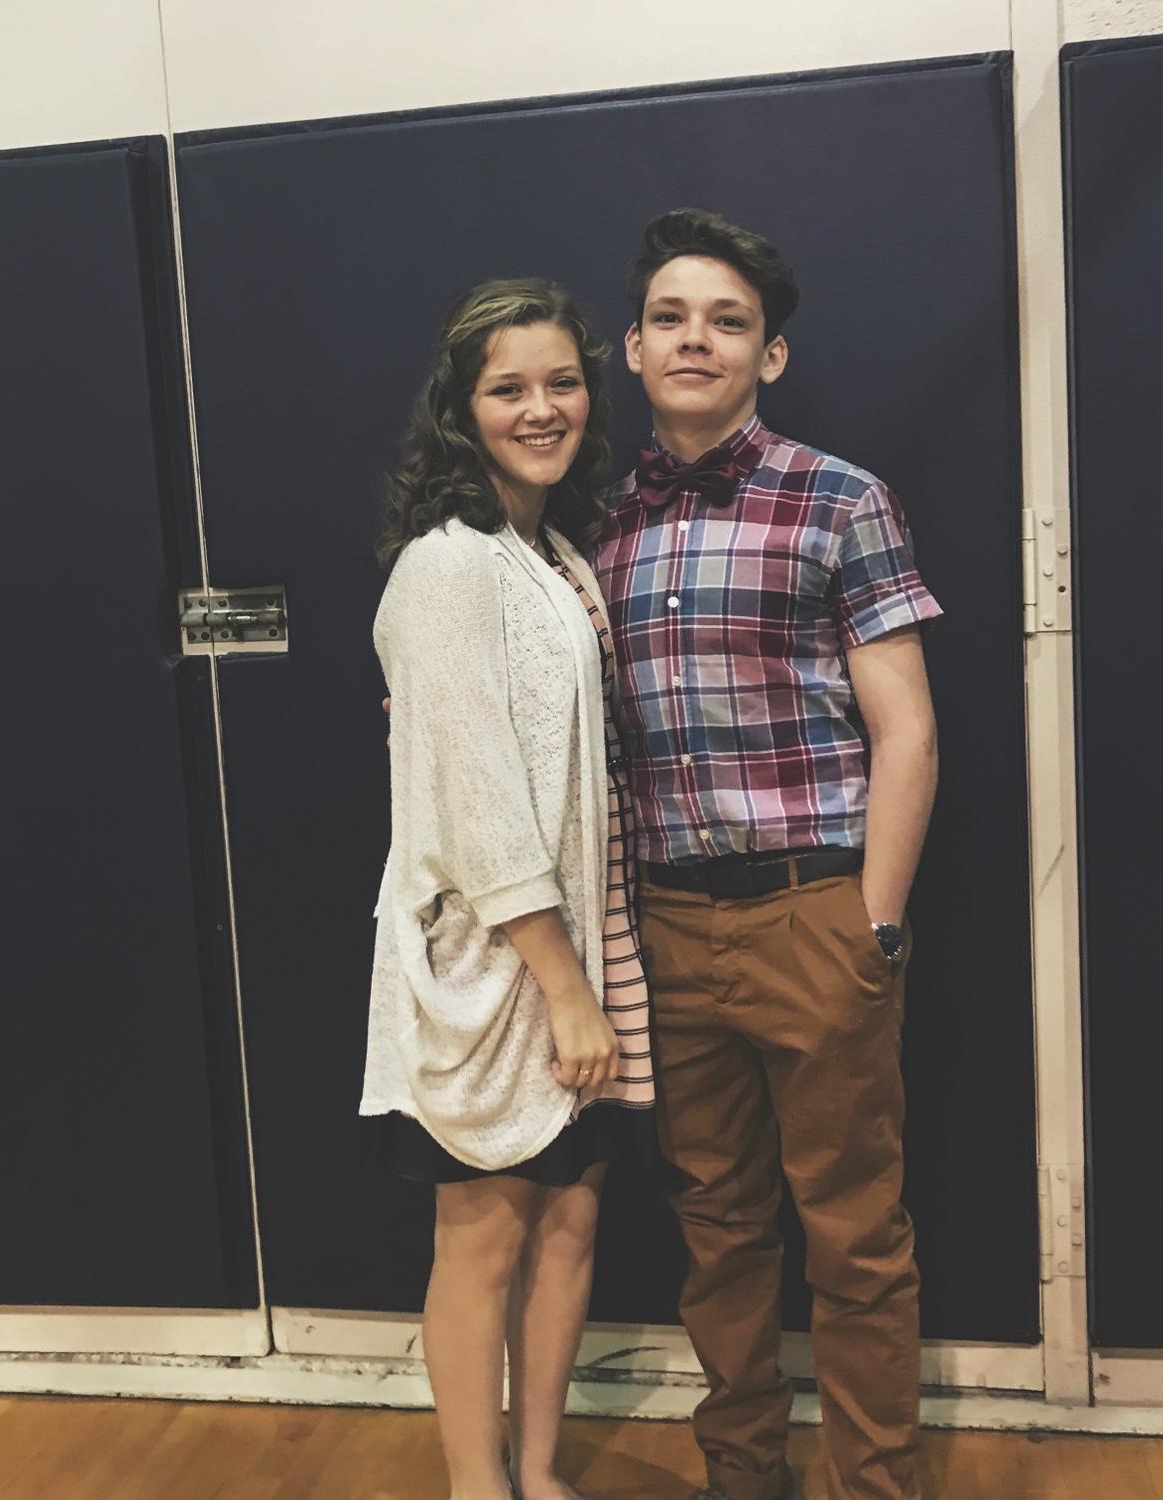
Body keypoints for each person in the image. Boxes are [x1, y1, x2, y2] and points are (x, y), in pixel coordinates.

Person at [593, 210, 942, 1500]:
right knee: (718, 1229)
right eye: (671, 317)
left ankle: (873, 1486)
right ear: (634, 347)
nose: (698, 339)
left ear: (769, 356)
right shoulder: (595, 527)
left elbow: (908, 733)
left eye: (728, 321)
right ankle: (742, 1473)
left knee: (855, 1236)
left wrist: (875, 924)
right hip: (669, 928)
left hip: (815, 914)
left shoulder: (842, 499)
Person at [360, 278, 661, 1500]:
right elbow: (480, 800)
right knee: (484, 1237)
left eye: (562, 383)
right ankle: (477, 1489)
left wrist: (593, 977)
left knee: (572, 1221)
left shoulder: (548, 552)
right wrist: (566, 989)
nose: (542, 409)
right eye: (508, 389)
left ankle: (538, 1473)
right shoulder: (447, 567)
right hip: (506, 967)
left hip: (589, 941)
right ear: (460, 408)